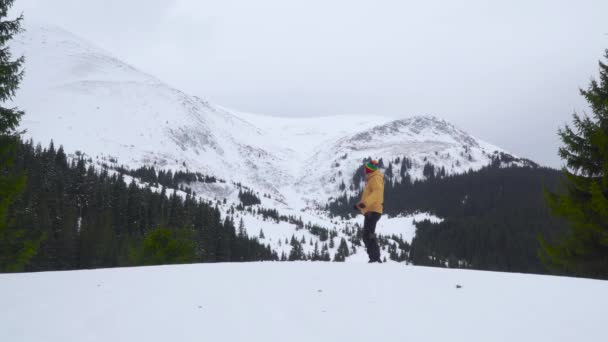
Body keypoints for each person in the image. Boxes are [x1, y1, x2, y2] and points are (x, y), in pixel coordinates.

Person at [354, 160, 384, 263]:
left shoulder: (375, 178)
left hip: (373, 210)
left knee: (368, 235)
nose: (365, 170)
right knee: (367, 235)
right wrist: (359, 206)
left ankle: (375, 258)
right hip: (370, 210)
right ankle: (374, 258)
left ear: (370, 169)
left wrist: (365, 204)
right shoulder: (371, 178)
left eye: (367, 168)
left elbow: (377, 193)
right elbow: (369, 196)